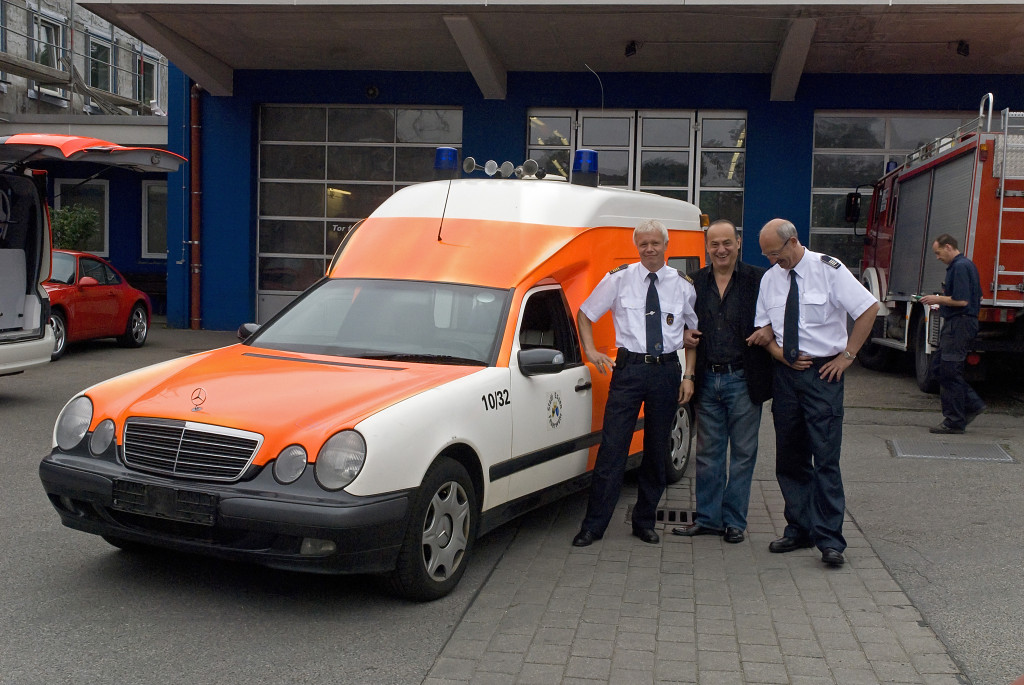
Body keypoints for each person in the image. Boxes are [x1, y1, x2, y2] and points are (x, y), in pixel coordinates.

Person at [751, 219, 879, 568]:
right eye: (767, 256)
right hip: (786, 375)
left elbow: (868, 308)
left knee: (824, 458)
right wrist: (778, 354)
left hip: (824, 374)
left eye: (776, 254)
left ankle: (830, 540)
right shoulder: (771, 279)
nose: (773, 261)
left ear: (793, 241)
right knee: (790, 458)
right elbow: (763, 326)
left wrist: (848, 356)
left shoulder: (829, 269)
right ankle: (799, 529)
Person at [572, 219, 698, 547]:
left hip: (666, 372)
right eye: (643, 244)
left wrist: (688, 375)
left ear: (666, 245)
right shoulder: (619, 279)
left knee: (657, 450)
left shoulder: (683, 285)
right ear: (636, 246)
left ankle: (644, 521)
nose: (649, 249)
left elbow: (692, 335)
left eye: (655, 243)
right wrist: (591, 351)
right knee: (613, 448)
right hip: (628, 371)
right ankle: (594, 525)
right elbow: (585, 313)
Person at [671, 219, 772, 544]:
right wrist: (683, 337)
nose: (721, 249)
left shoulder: (760, 279)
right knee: (707, 455)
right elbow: (681, 323)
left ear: (738, 243)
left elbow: (778, 315)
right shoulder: (694, 282)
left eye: (727, 242)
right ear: (706, 247)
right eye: (714, 244)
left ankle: (734, 523)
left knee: (743, 455)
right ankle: (708, 519)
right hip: (707, 378)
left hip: (743, 378)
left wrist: (769, 330)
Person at [919, 234, 985, 434]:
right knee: (939, 368)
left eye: (938, 253)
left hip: (959, 324)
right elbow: (978, 295)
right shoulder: (966, 265)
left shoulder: (960, 267)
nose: (937, 257)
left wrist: (937, 299)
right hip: (959, 323)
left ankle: (955, 420)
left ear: (948, 247)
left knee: (949, 370)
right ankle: (971, 404)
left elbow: (962, 300)